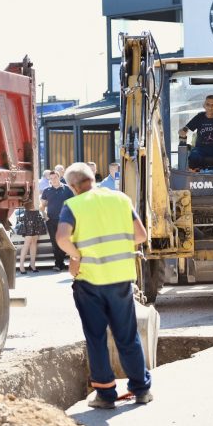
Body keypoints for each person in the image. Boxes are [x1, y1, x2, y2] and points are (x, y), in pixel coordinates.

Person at [55, 162, 152, 409]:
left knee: (96, 337)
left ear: (72, 186)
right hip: (120, 279)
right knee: (127, 336)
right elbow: (140, 236)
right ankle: (141, 389)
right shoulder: (120, 199)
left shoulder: (73, 205)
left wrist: (76, 256)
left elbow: (62, 238)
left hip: (89, 281)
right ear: (93, 178)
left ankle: (106, 395)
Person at [40, 171, 75, 271]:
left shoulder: (67, 189)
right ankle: (59, 263)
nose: (53, 180)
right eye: (51, 178)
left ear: (59, 177)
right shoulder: (47, 190)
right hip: (51, 220)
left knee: (64, 241)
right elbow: (42, 205)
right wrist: (45, 216)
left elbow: (73, 204)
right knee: (55, 243)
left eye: (55, 177)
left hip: (65, 220)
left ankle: (59, 263)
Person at [14, 202, 45, 273]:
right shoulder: (28, 193)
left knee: (34, 242)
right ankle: (21, 265)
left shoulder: (36, 192)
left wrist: (39, 206)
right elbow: (26, 205)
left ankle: (32, 264)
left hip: (36, 216)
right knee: (27, 243)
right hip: (29, 216)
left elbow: (40, 205)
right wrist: (37, 206)